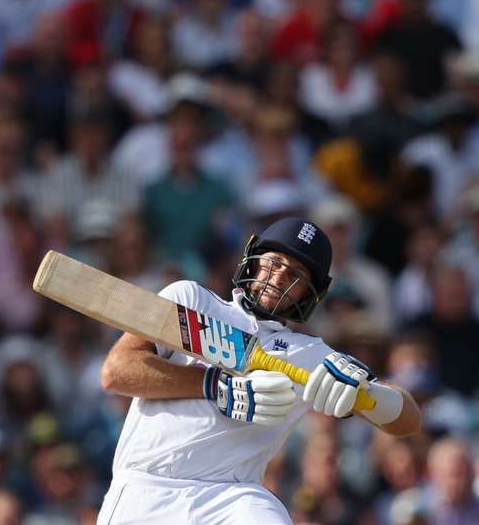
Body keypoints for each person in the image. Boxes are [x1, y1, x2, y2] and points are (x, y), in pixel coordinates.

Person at [97, 217, 422, 524]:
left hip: (231, 494)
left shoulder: (307, 355)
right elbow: (117, 371)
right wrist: (215, 385)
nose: (278, 277)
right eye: (274, 262)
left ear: (311, 294)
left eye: (295, 274)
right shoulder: (191, 300)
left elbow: (407, 420)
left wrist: (368, 392)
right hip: (146, 486)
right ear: (252, 259)